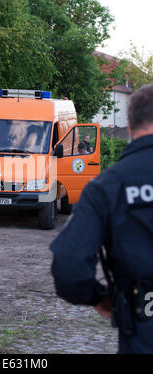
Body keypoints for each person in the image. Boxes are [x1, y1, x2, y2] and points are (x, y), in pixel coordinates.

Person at [50, 84, 153, 354]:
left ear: (129, 126)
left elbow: (69, 270)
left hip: (143, 324)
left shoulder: (107, 187)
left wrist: (100, 296)